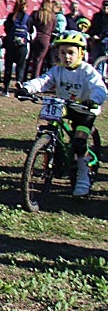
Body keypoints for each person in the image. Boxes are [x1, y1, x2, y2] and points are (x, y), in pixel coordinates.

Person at [19, 29, 107, 196]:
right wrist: (27, 88)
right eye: (62, 52)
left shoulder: (87, 71)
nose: (66, 57)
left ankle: (83, 176)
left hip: (85, 110)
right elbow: (43, 81)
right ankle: (51, 149)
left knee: (79, 142)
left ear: (81, 53)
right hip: (65, 105)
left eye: (71, 53)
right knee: (50, 125)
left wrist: (94, 99)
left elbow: (100, 88)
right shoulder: (57, 70)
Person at [2, 0, 31, 93]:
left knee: (8, 66)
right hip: (22, 45)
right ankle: (19, 81)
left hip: (10, 45)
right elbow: (30, 30)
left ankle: (6, 89)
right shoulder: (28, 18)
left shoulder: (11, 16)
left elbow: (6, 29)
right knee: (21, 66)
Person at [27, 0, 55, 79]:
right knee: (39, 60)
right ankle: (35, 79)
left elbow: (29, 24)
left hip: (35, 37)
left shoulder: (36, 13)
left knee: (31, 59)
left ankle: (25, 78)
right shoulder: (52, 16)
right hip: (45, 39)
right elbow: (53, 28)